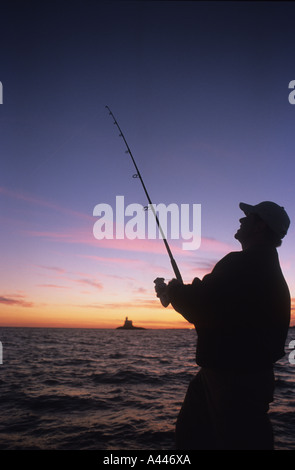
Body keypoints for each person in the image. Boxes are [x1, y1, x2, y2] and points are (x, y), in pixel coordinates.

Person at [154, 201, 291, 450]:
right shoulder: (268, 270)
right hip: (239, 375)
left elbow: (203, 304)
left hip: (233, 382)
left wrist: (173, 290)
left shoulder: (242, 263)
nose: (241, 220)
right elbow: (218, 306)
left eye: (248, 216)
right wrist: (179, 293)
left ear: (260, 226)